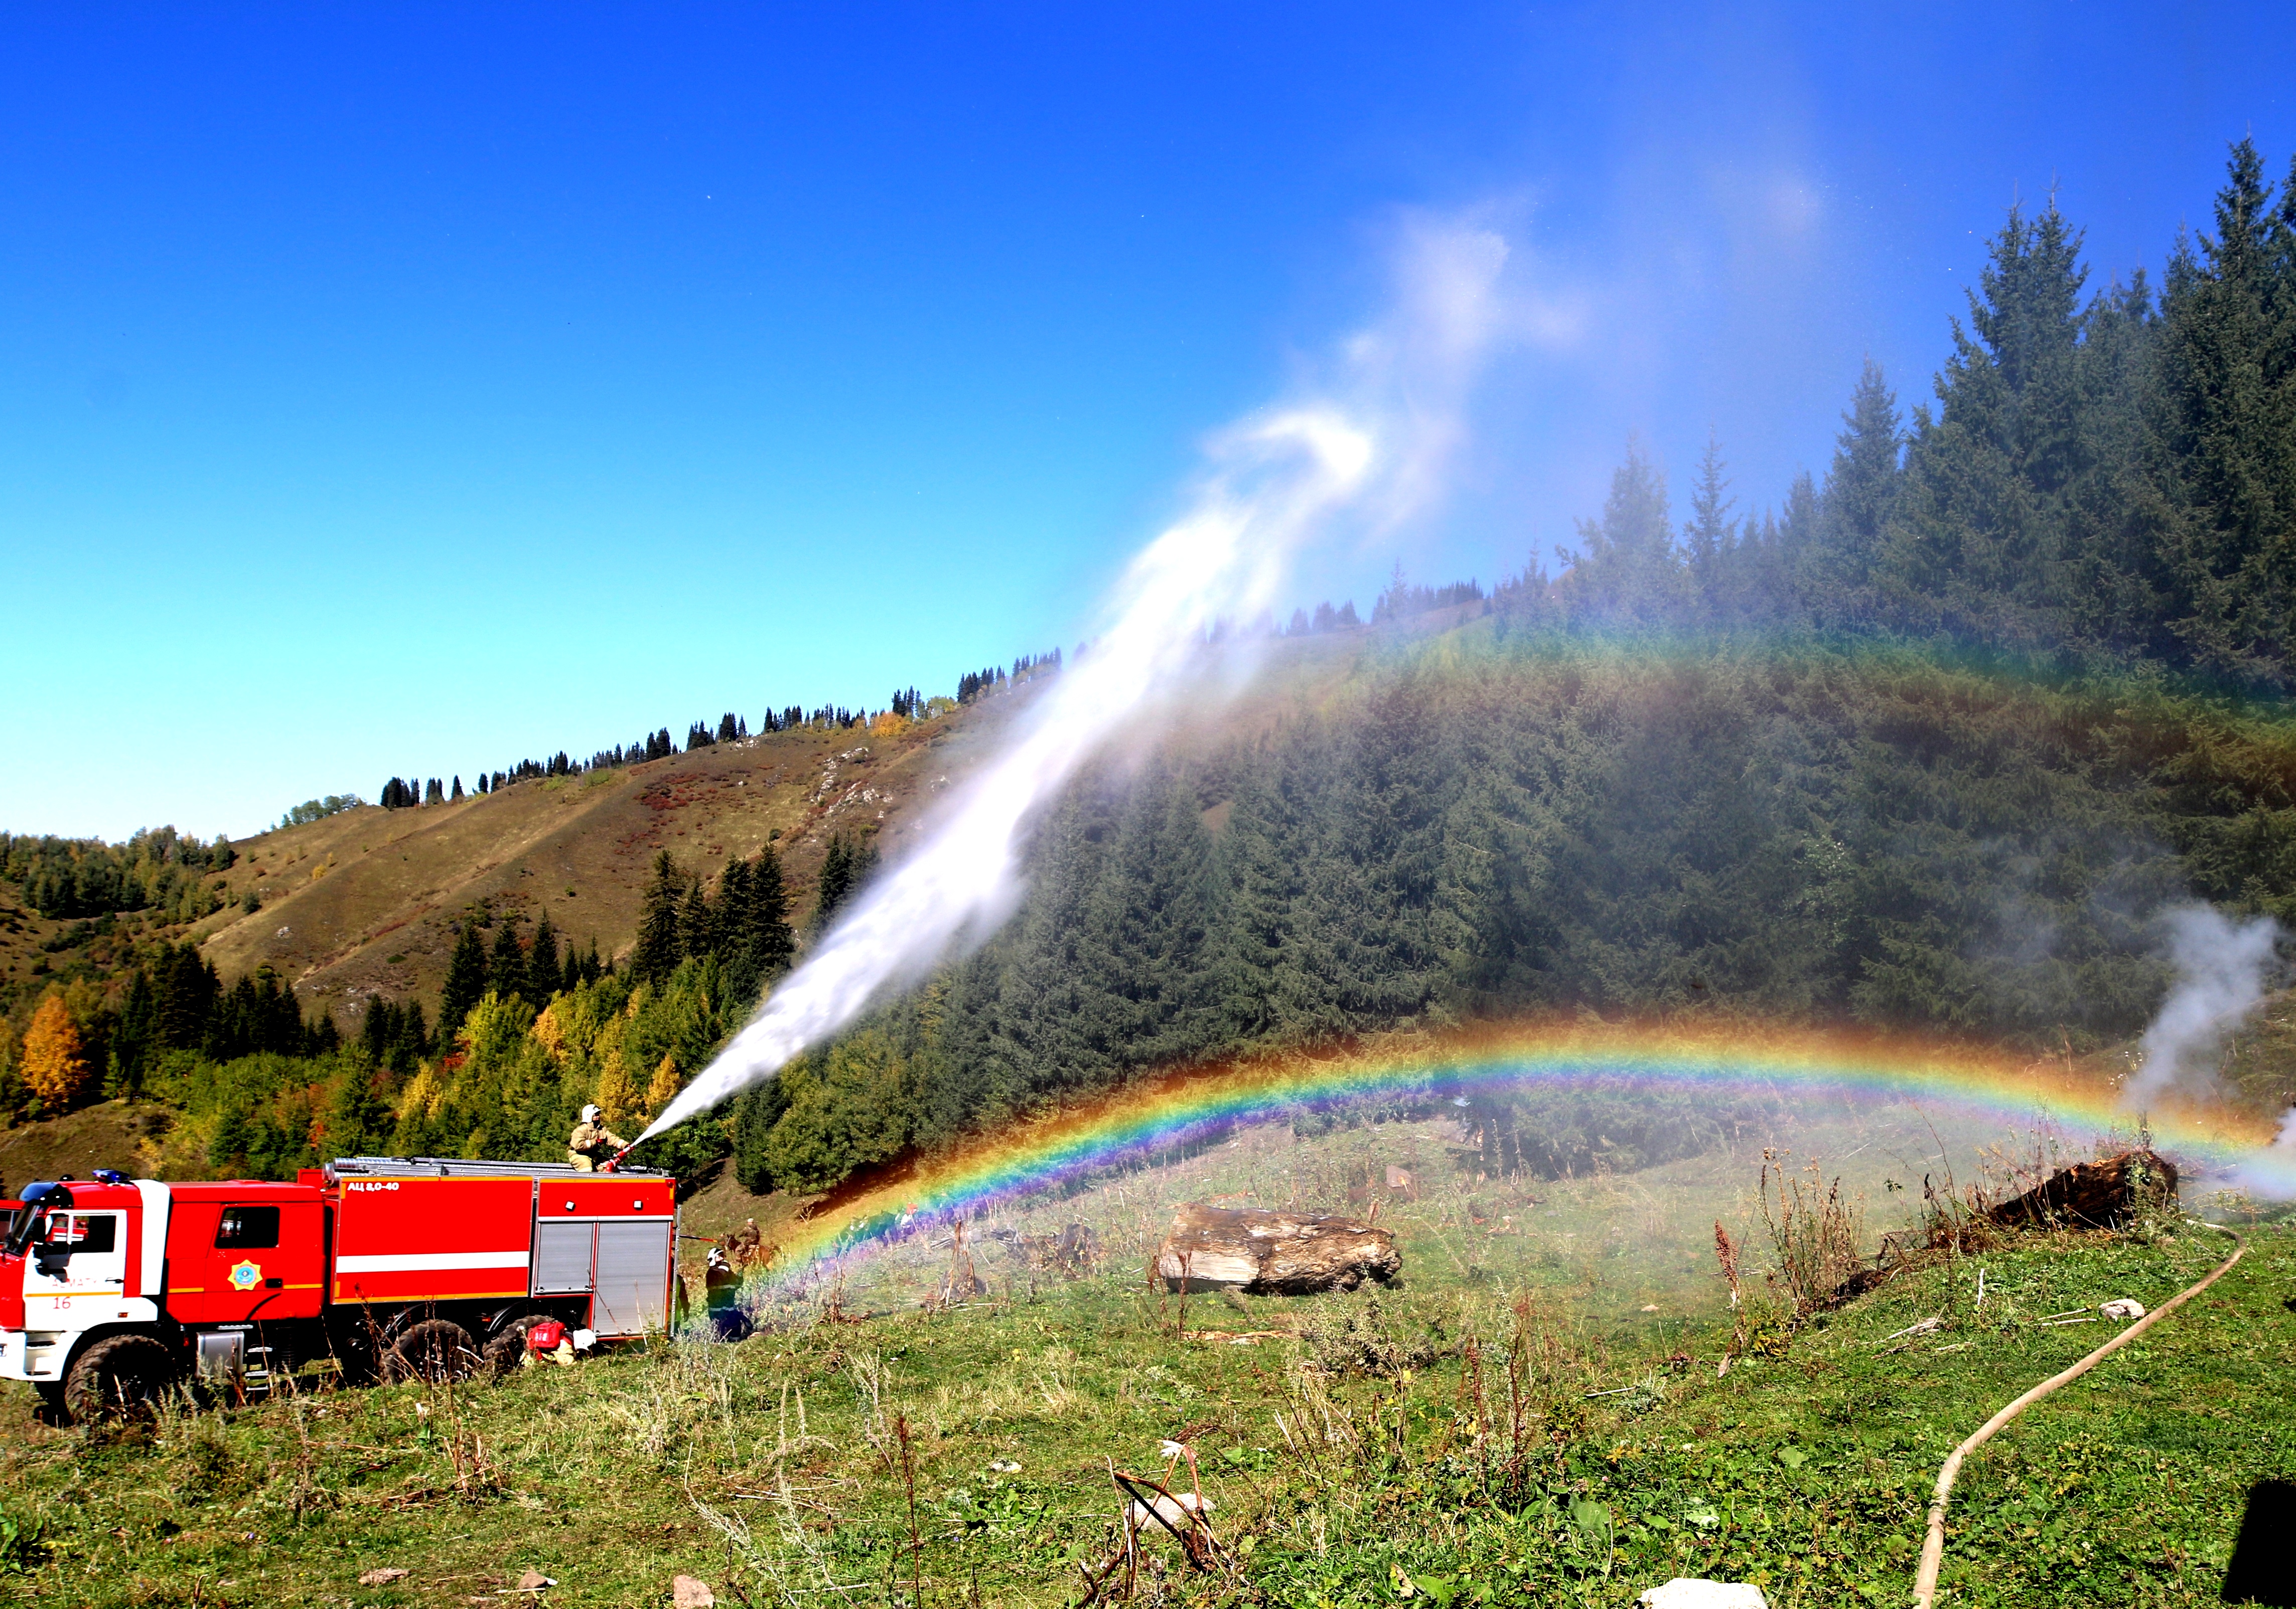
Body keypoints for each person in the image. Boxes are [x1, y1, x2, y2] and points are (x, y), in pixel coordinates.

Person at [567, 1105, 628, 1171]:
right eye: (595, 1115)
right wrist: (595, 1142)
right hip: (578, 1155)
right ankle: (586, 1181)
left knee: (609, 1167)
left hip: (593, 1155)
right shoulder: (580, 1130)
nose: (598, 1117)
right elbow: (578, 1145)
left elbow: (612, 1139)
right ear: (588, 1116)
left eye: (598, 1114)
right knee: (586, 1166)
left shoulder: (601, 1130)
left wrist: (625, 1145)